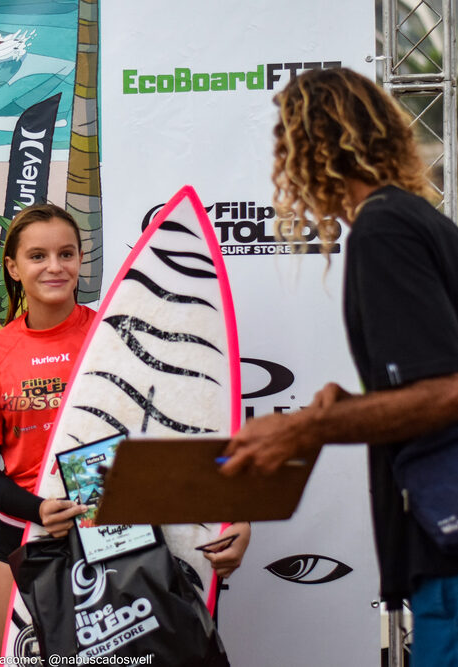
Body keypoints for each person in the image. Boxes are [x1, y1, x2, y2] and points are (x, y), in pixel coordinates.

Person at [220, 67, 458, 666]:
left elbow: (446, 393)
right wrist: (349, 410)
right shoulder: (420, 220)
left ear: (310, 149)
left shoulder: (384, 228)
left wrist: (305, 428)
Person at [0, 204, 93, 655]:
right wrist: (38, 510)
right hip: (20, 536)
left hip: (111, 532)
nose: (55, 266)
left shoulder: (113, 334)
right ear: (14, 268)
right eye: (38, 256)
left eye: (67, 253)